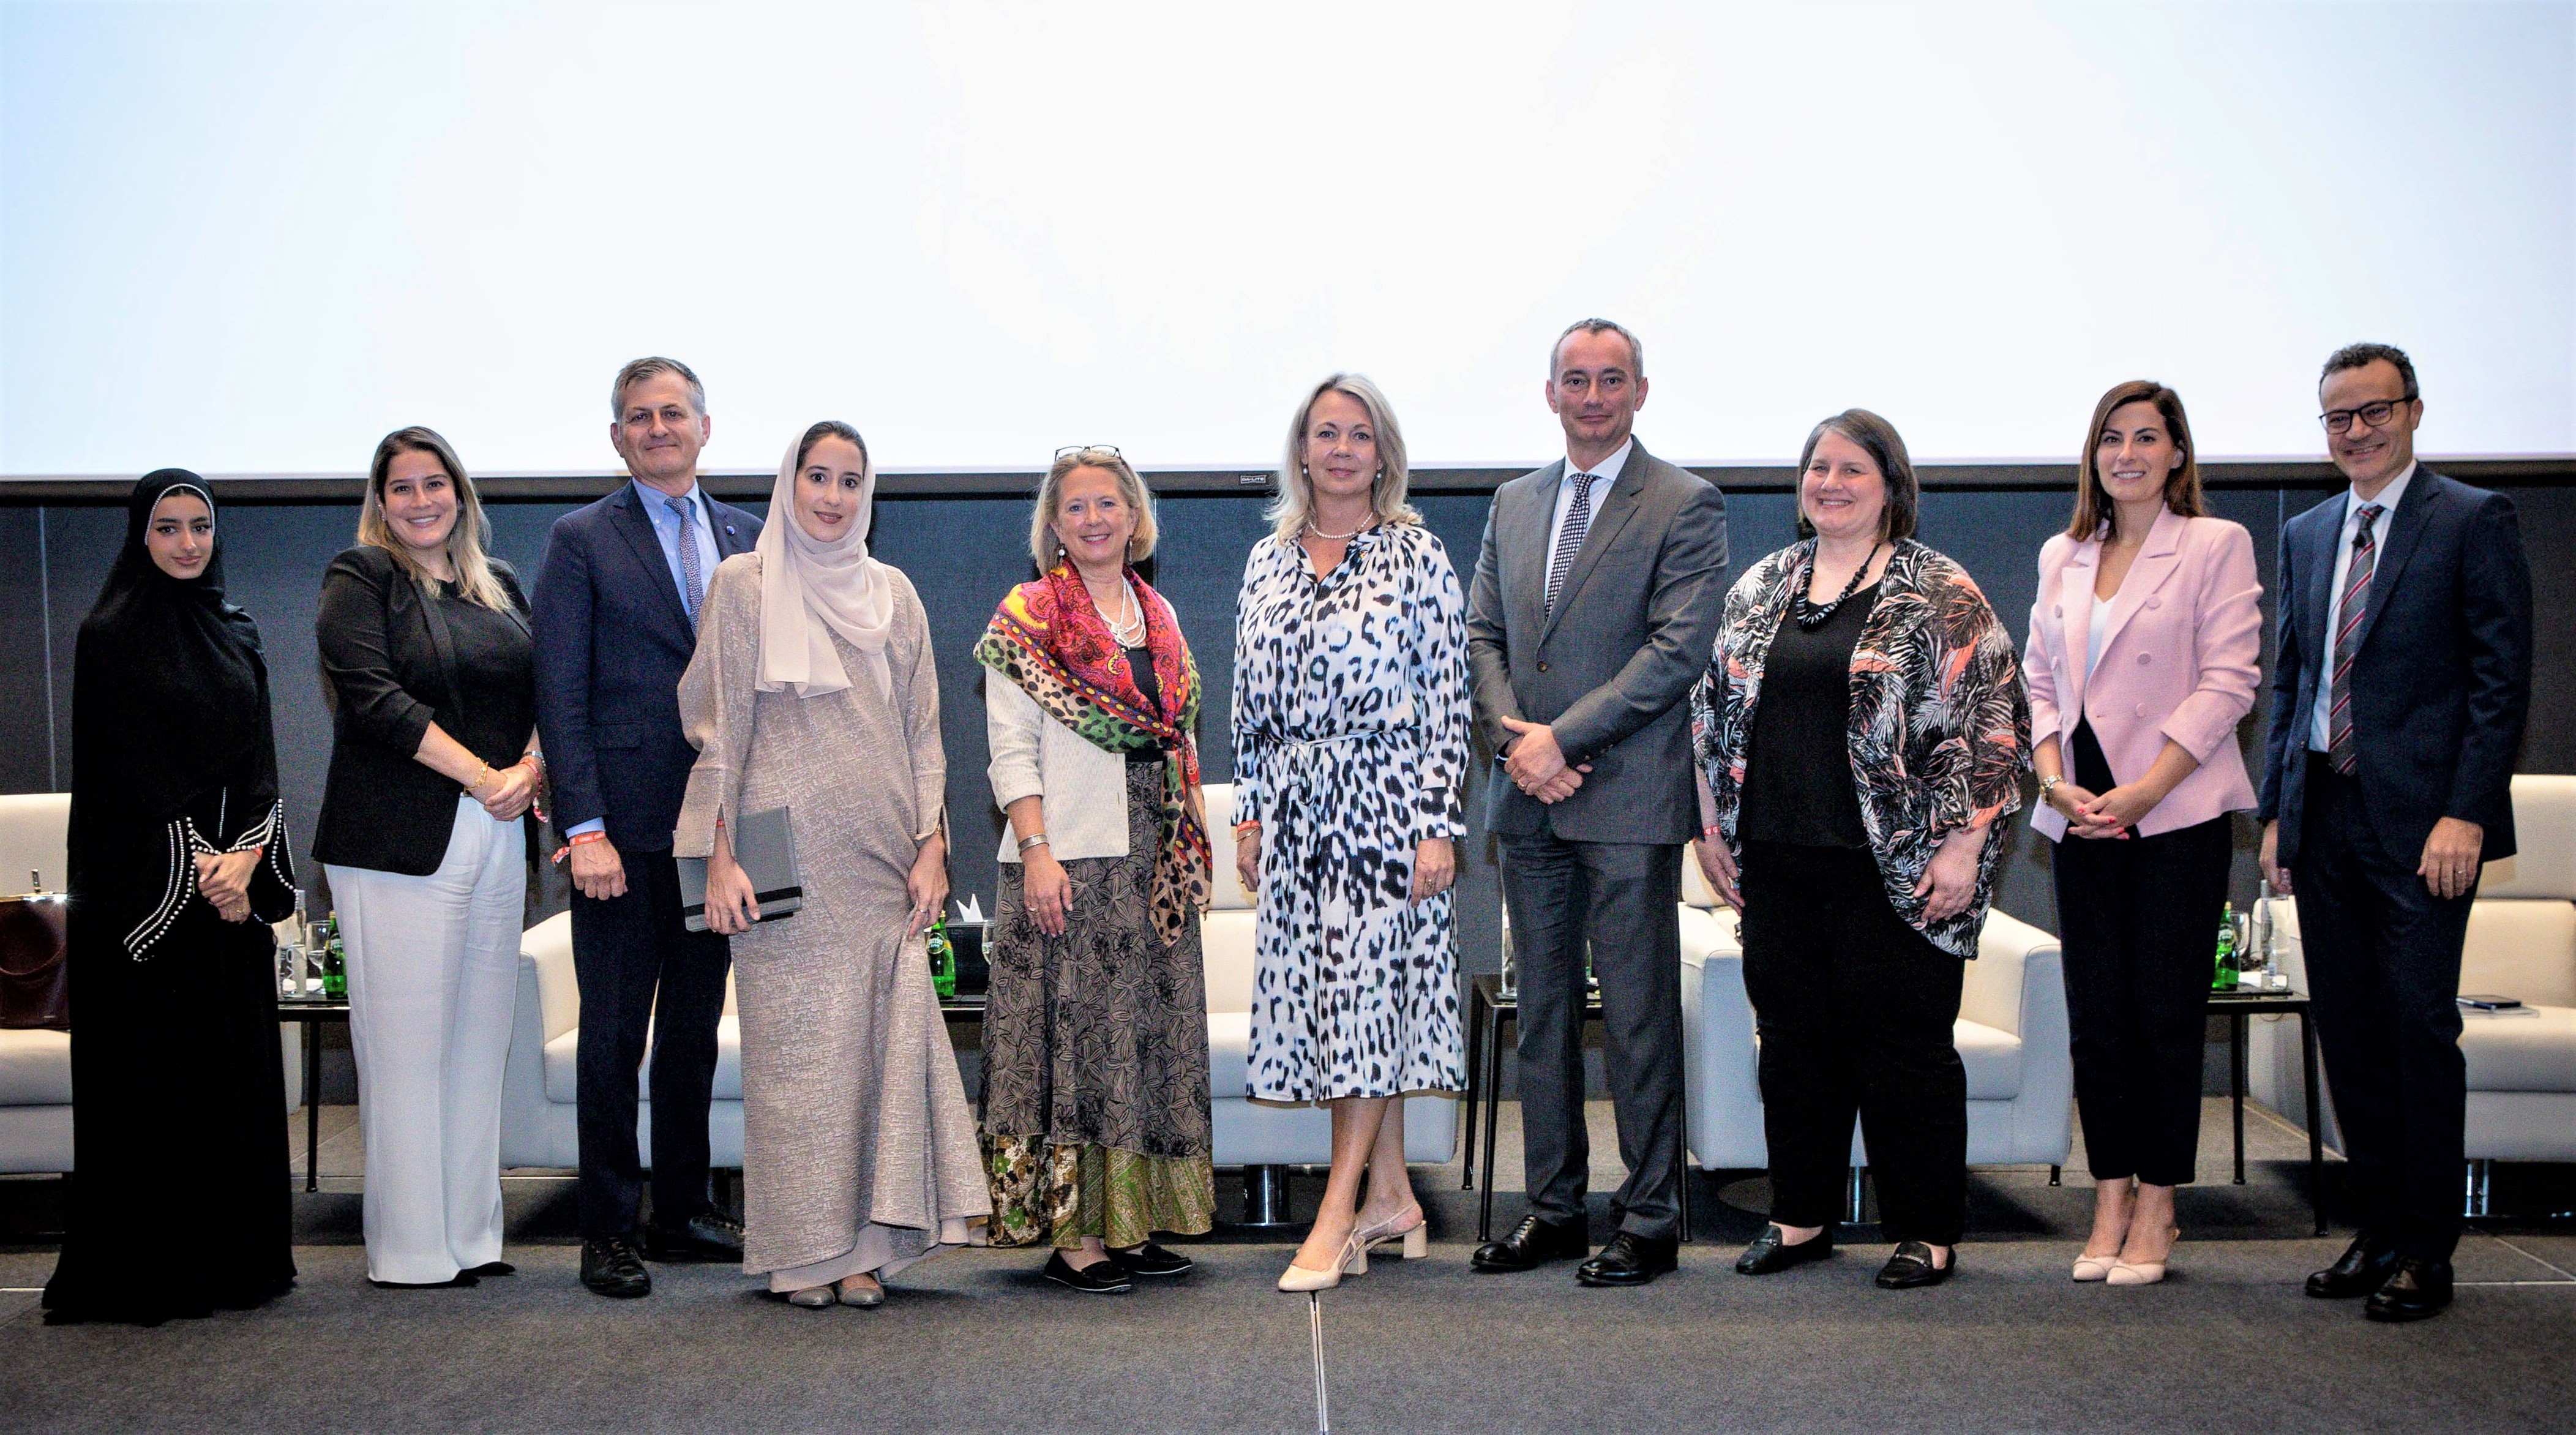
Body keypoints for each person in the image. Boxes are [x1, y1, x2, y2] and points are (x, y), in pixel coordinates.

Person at [1690, 410, 2028, 1291]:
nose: (1830, 484)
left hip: (1900, 867)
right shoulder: (1765, 585)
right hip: (1777, 857)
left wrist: (1963, 850)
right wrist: (1713, 830)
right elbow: (1711, 713)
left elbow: (1994, 726)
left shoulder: (1938, 588)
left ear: (1891, 487)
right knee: (1796, 1047)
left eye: (1852, 470)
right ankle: (1800, 1218)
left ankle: (1926, 1230)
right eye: (1818, 469)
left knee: (1904, 1051)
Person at [675, 421, 989, 1309]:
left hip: (881, 862)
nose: (833, 495)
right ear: (791, 482)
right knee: (795, 1066)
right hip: (780, 857)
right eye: (818, 475)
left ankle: (863, 1253)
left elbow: (924, 732)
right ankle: (800, 1257)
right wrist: (717, 856)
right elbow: (717, 727)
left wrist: (934, 846)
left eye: (851, 480)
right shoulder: (744, 586)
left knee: (875, 1060)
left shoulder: (895, 594)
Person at [2258, 343, 2532, 1323]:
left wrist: (2465, 810)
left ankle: (2428, 1248)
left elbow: (2501, 685)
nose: (2358, 431)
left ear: (2413, 412)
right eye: (2339, 417)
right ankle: (2376, 1230)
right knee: (2352, 1031)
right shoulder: (2310, 532)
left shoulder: (2470, 519)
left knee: (2419, 1030)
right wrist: (2279, 812)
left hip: (2426, 828)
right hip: (2323, 817)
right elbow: (2293, 683)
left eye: (2375, 411)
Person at [1465, 319, 1728, 1287]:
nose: (1592, 396)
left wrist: (1558, 742)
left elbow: (1676, 651)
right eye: (1575, 380)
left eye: (1610, 380)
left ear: (1641, 393)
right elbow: (1483, 635)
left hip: (1621, 797)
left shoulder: (1685, 503)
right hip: (1528, 802)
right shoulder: (1513, 501)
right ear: (1550, 394)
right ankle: (1556, 1210)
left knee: (1637, 1017)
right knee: (1541, 1017)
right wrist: (1516, 745)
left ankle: (1651, 1219)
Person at [42, 470, 298, 1325]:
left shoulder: (239, 630)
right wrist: (204, 867)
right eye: (168, 528)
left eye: (200, 526)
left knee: (231, 1074)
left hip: (228, 899)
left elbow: (261, 760)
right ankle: (159, 1270)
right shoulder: (110, 635)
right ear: (138, 538)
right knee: (160, 1082)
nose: (188, 543)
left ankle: (237, 1261)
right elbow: (123, 779)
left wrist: (248, 858)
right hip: (150, 907)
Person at [1234, 375, 1472, 1292]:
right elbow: (1249, 709)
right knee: (1335, 1007)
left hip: (1386, 807)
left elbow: (1447, 709)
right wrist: (1251, 812)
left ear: (1384, 455)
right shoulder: (1267, 559)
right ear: (1301, 450)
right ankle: (1390, 1199)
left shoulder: (1418, 556)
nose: (1340, 449)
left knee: (1371, 1008)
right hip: (1295, 815)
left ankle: (1334, 1220)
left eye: (1359, 435)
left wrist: (1437, 828)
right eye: (1325, 433)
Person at [533, 357, 762, 1298]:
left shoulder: (752, 538)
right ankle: (607, 1229)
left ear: (706, 428)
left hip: (723, 834)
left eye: (674, 413)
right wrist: (582, 825)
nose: (658, 427)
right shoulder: (581, 539)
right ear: (618, 438)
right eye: (639, 417)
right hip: (620, 833)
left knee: (696, 1030)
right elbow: (561, 689)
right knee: (615, 1035)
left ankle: (679, 1210)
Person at [2024, 383, 2261, 1287]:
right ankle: (2109, 1195)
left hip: (2174, 816)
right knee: (2100, 1022)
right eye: (2111, 439)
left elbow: (2230, 682)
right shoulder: (2063, 553)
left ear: (2177, 455)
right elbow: (2042, 683)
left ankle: (2161, 1201)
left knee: (2165, 1018)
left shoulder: (2215, 545)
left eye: (2147, 438)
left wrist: (2145, 791)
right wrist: (2057, 782)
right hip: (2081, 813)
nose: (2127, 453)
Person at [976, 445, 1215, 1295]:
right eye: (1075, 507)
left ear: (1135, 515)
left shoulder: (1160, 615)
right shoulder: (1028, 618)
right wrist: (1036, 851)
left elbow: (1175, 740)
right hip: (1070, 862)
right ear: (1053, 525)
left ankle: (1132, 1222)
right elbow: (1008, 750)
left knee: (1147, 1046)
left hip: (1155, 866)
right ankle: (1077, 1239)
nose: (1094, 519)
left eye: (1109, 503)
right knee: (1077, 1049)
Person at [315, 427, 542, 1289]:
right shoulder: (360, 577)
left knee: (478, 1047)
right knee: (406, 1051)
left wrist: (528, 768)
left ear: (460, 493)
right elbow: (373, 698)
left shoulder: (502, 585)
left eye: (434, 484)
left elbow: (539, 693)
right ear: (381, 502)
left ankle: (472, 1234)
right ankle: (411, 1249)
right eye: (402, 488)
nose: (420, 501)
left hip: (495, 828)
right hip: (395, 840)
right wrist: (487, 777)